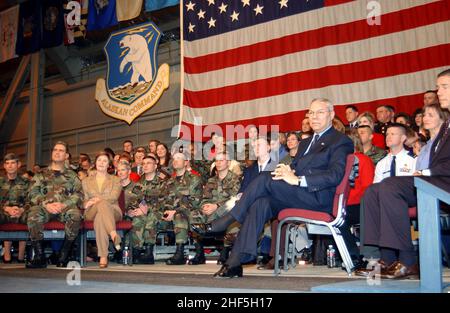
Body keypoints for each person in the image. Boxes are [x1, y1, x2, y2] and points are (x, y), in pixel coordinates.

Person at [192, 98, 354, 278]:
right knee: (260, 203)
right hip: (299, 195)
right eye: (311, 113)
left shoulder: (340, 141)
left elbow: (335, 175)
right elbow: (296, 168)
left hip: (318, 197)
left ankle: (225, 221)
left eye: (320, 112)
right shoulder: (306, 143)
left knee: (263, 178)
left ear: (331, 115)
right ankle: (235, 262)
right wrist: (287, 170)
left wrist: (299, 180)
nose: (314, 117)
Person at [357, 69, 450, 279]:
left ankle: (408, 260)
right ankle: (386, 258)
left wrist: (426, 171)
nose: (439, 92)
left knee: (391, 185)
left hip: (441, 182)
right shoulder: (446, 128)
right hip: (435, 181)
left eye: (444, 87)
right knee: (373, 190)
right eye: (438, 87)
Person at [27, 141, 83, 268]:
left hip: (64, 208)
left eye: (61, 150)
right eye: (55, 150)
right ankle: (39, 256)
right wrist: (46, 204)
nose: (57, 152)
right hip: (45, 208)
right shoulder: (41, 174)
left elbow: (79, 194)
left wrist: (64, 204)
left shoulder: (72, 176)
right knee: (33, 214)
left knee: (75, 215)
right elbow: (32, 193)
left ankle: (63, 255)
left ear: (66, 156)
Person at [189, 151, 241, 265]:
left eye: (221, 160)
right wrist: (205, 206)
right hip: (211, 209)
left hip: (225, 209)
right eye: (216, 160)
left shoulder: (235, 179)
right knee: (193, 215)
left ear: (228, 162)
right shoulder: (211, 180)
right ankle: (199, 253)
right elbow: (205, 197)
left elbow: (234, 199)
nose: (218, 163)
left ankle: (225, 252)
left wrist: (216, 206)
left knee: (231, 213)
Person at [161, 152, 203, 265]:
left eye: (179, 159)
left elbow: (195, 201)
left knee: (179, 216)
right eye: (174, 159)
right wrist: (167, 211)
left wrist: (175, 211)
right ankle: (144, 251)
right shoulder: (169, 181)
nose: (175, 161)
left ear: (186, 162)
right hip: (172, 213)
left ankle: (180, 253)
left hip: (191, 211)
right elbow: (166, 200)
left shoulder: (194, 178)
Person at [82, 152, 122, 268]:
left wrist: (97, 199)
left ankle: (103, 256)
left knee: (100, 217)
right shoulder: (86, 181)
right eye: (99, 160)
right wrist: (87, 203)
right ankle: (113, 234)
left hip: (113, 210)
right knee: (101, 205)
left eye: (105, 161)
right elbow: (83, 200)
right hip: (91, 211)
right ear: (95, 162)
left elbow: (114, 197)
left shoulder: (115, 179)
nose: (101, 163)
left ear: (109, 164)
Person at [127, 155, 167, 264]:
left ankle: (149, 253)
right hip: (143, 213)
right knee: (137, 219)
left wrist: (147, 209)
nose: (145, 165)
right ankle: (137, 251)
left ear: (155, 166)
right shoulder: (139, 183)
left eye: (148, 163)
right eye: (143, 164)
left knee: (151, 217)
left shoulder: (162, 182)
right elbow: (133, 200)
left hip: (160, 214)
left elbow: (164, 203)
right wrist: (131, 211)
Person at [0, 153, 29, 263]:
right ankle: (7, 255)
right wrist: (6, 208)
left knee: (31, 218)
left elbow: (31, 200)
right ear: (4, 166)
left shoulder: (26, 182)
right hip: (4, 212)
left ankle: (21, 255)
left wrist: (22, 209)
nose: (10, 166)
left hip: (21, 212)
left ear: (19, 165)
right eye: (7, 163)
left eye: (13, 163)